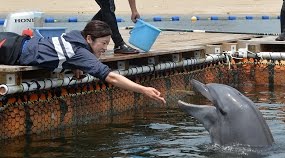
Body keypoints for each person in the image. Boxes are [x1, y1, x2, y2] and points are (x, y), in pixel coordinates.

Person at [0, 20, 166, 104]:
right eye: (103, 43)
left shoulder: (75, 37)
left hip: (14, 40)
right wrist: (143, 89)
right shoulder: (80, 52)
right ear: (89, 38)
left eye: (108, 44)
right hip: (9, 49)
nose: (105, 48)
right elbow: (112, 77)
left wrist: (74, 65)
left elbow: (65, 55)